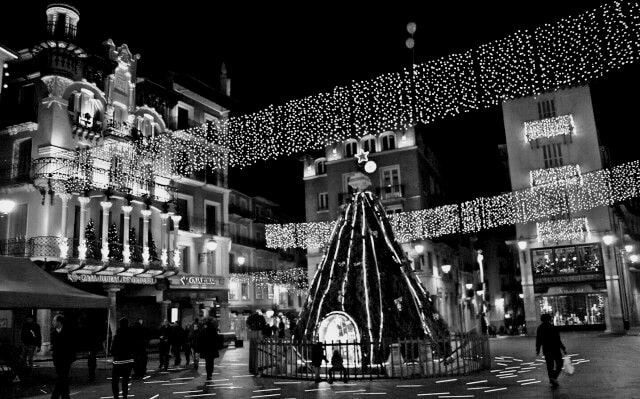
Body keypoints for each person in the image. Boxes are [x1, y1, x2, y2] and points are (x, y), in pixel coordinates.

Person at [536, 313, 567, 388]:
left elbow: (538, 340)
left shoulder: (540, 328)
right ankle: (554, 378)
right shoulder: (553, 327)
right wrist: (563, 348)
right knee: (559, 364)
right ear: (549, 319)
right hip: (555, 348)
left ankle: (552, 379)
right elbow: (557, 339)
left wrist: (538, 349)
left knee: (550, 366)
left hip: (547, 349)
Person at [51, 314, 75, 399]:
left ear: (59, 322)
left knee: (62, 377)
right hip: (57, 360)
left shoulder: (68, 332)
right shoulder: (53, 333)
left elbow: (71, 345)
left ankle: (55, 396)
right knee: (63, 378)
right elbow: (54, 347)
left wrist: (71, 358)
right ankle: (65, 396)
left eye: (54, 321)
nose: (53, 322)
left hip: (66, 359)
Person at [110, 318, 134, 399]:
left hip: (118, 361)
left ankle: (116, 396)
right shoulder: (131, 335)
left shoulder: (117, 336)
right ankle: (125, 396)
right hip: (128, 360)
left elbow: (112, 350)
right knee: (125, 380)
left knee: (115, 381)